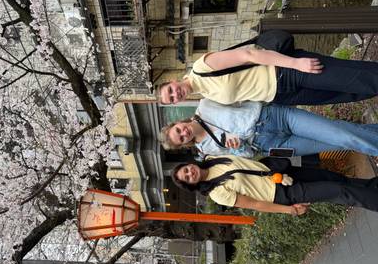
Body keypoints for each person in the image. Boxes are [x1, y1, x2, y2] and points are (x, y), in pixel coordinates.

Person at [160, 98, 378, 158]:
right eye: (180, 138)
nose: (183, 133)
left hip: (273, 118)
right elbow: (246, 156)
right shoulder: (207, 150)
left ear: (178, 123)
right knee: (338, 139)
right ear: (185, 144)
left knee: (341, 135)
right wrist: (237, 147)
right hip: (271, 146)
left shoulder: (205, 105)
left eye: (178, 130)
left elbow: (239, 95)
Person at [158, 47, 378, 106]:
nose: (175, 94)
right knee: (349, 92)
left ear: (173, 81)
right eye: (172, 99)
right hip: (282, 97)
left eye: (170, 91)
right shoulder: (204, 94)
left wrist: (295, 63)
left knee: (353, 77)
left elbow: (249, 54)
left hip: (286, 72)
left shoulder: (201, 67)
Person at [172, 155, 378, 216]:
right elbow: (255, 205)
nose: (191, 173)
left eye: (187, 170)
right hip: (282, 192)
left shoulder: (214, 158)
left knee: (336, 179)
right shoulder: (217, 193)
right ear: (191, 184)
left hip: (282, 174)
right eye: (187, 178)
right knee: (339, 192)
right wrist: (289, 210)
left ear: (190, 164)